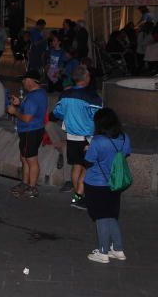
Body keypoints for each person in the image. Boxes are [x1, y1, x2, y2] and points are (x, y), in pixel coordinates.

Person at [50, 66, 102, 210]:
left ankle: (78, 195)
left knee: (76, 166)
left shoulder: (65, 95)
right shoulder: (92, 96)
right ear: (86, 78)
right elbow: (98, 117)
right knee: (87, 168)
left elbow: (57, 113)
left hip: (71, 137)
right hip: (87, 139)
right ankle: (78, 198)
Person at [83, 108, 130, 264]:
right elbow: (125, 154)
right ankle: (118, 249)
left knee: (101, 217)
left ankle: (103, 252)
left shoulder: (98, 141)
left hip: (96, 183)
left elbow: (88, 162)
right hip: (115, 183)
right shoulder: (124, 138)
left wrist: (87, 150)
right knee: (111, 216)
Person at [7, 71, 48, 200]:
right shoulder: (39, 93)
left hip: (30, 131)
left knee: (31, 160)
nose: (23, 82)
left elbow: (26, 118)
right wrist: (20, 103)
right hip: (34, 130)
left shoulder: (33, 97)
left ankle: (32, 187)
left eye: (24, 80)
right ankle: (25, 184)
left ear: (30, 80)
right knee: (25, 158)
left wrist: (14, 111)